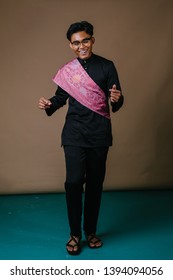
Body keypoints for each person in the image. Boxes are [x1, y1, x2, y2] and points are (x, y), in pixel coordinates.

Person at [38, 21, 124, 255]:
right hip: (74, 134)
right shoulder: (68, 71)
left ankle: (91, 231)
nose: (81, 46)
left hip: (99, 134)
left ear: (92, 40)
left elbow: (116, 98)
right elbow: (59, 99)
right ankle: (75, 233)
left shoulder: (107, 66)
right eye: (76, 43)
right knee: (74, 182)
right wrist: (49, 103)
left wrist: (116, 99)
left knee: (95, 185)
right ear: (71, 45)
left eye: (85, 40)